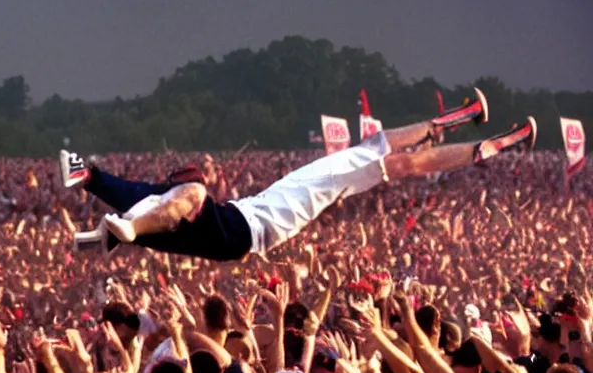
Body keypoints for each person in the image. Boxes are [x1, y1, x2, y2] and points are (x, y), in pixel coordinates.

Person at [63, 89, 536, 261]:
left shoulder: (162, 205)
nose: (205, 175)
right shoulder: (184, 200)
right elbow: (394, 150)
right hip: (242, 231)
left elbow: (131, 190)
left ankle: (114, 234)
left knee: (154, 207)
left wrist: (91, 178)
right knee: (174, 200)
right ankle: (484, 137)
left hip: (239, 233)